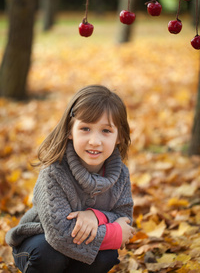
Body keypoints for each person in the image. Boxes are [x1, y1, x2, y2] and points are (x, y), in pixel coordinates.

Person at [6, 85, 134, 273]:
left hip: (79, 246)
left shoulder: (120, 174)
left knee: (106, 256)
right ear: (69, 131)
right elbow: (60, 235)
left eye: (106, 131)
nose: (95, 141)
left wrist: (96, 216)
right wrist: (113, 233)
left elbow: (125, 218)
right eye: (85, 129)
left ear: (119, 136)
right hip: (39, 241)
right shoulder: (54, 172)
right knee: (49, 254)